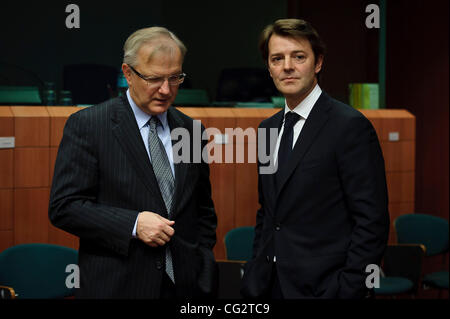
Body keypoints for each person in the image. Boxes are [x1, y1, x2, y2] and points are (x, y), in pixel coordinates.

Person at [49, 27, 218, 299]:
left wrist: (204, 266)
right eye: (154, 78)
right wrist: (134, 223)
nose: (166, 90)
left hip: (185, 287)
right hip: (118, 286)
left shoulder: (191, 131)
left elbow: (202, 211)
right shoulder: (89, 126)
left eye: (175, 78)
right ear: (128, 73)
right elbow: (64, 207)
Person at [241, 19, 390, 299]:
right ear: (269, 68)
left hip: (326, 288)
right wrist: (254, 273)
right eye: (277, 58)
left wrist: (348, 289)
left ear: (317, 63)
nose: (287, 66)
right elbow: (268, 212)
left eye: (298, 56)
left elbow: (372, 221)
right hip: (269, 287)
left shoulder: (349, 126)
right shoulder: (267, 130)